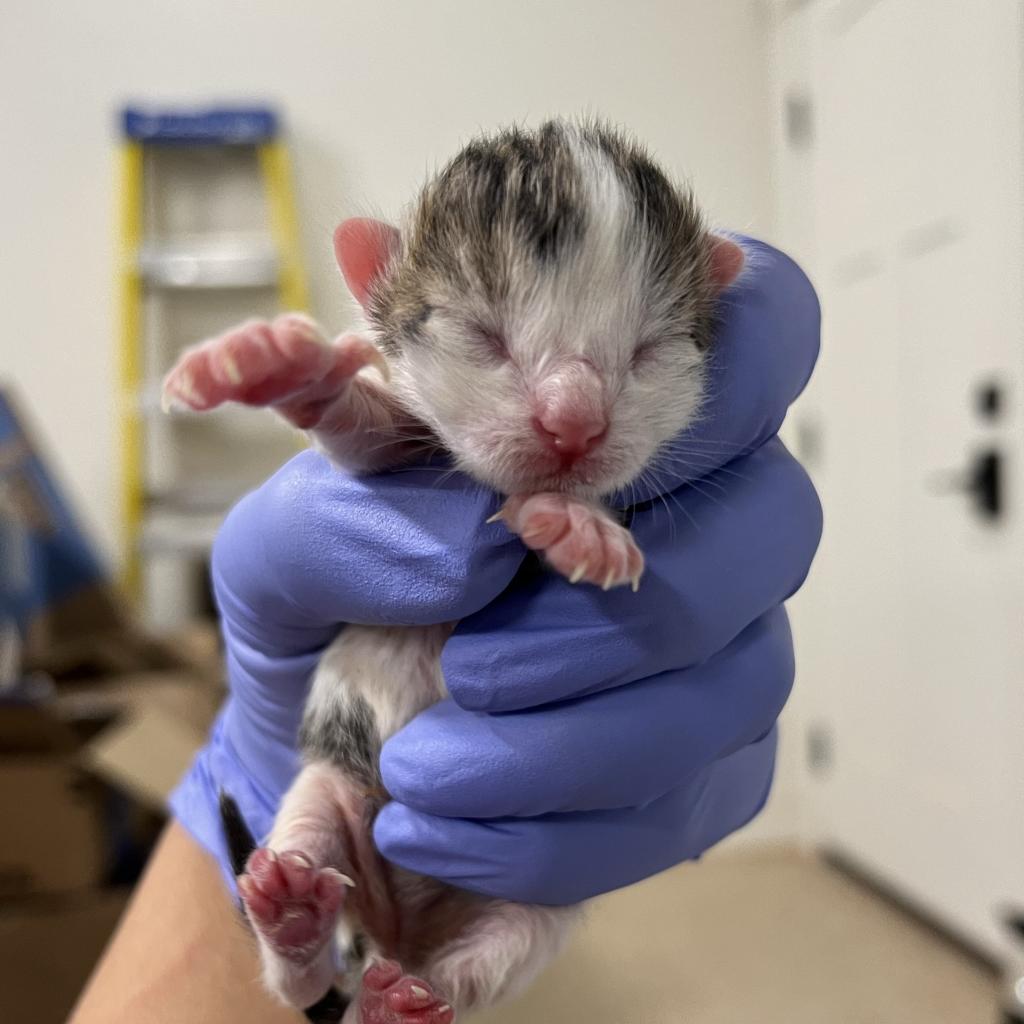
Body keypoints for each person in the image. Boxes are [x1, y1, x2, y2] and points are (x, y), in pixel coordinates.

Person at [70, 238, 821, 1023]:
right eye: (491, 341)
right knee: (310, 809)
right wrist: (329, 397)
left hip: (503, 835)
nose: (571, 412)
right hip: (357, 760)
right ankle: (300, 958)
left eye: (644, 353)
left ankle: (419, 994)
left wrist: (597, 533)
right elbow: (380, 441)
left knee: (525, 918)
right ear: (381, 286)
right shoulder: (417, 407)